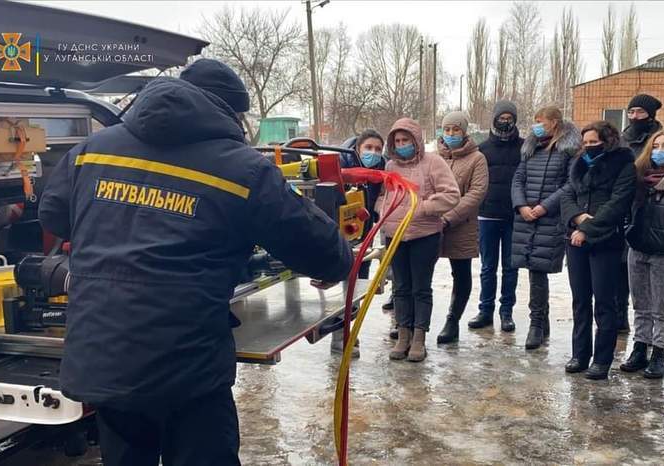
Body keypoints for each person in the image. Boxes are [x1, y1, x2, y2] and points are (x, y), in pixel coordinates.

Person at [38, 59, 354, 466]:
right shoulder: (243, 169)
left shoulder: (90, 151)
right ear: (230, 112)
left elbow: (53, 216)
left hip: (104, 358)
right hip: (186, 369)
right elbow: (321, 248)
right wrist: (337, 265)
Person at [377, 117, 459, 362]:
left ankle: (419, 337)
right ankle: (403, 334)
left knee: (420, 288)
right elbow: (382, 196)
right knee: (400, 287)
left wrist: (422, 207)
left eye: (406, 140)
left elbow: (451, 194)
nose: (402, 144)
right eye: (398, 141)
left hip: (424, 235)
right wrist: (385, 209)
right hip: (396, 235)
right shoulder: (390, 166)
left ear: (416, 140)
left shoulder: (433, 162)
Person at [561, 121, 636, 380]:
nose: (590, 147)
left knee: (605, 303)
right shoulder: (579, 164)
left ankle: (602, 359)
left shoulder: (624, 165)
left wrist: (588, 228)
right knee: (580, 300)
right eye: (586, 143)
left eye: (595, 142)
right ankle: (580, 354)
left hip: (606, 240)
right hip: (576, 240)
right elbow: (567, 195)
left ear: (608, 140)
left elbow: (617, 204)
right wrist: (577, 218)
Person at [511, 106, 581, 350]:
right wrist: (521, 205)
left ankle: (536, 324)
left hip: (550, 217)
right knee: (532, 269)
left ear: (554, 122)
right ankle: (541, 321)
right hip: (526, 216)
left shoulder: (569, 151)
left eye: (540, 121)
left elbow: (571, 184)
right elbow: (518, 178)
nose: (536, 125)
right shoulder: (531, 148)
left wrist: (544, 208)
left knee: (539, 269)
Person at [619, 131, 664, 379]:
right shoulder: (639, 177)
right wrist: (628, 229)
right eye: (656, 146)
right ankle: (639, 347)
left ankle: (659, 354)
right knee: (640, 303)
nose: (660, 150)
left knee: (662, 306)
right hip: (637, 249)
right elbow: (627, 207)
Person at [435, 111, 489, 344]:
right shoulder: (434, 158)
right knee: (420, 273)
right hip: (430, 225)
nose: (451, 134)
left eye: (456, 129)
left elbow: (476, 193)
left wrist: (449, 217)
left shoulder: (477, 159)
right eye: (447, 129)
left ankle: (452, 321)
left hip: (461, 225)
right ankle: (412, 322)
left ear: (464, 131)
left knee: (461, 273)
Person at [331, 129, 385, 357]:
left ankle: (350, 333)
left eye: (377, 149)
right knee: (340, 285)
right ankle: (338, 336)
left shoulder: (381, 171)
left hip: (365, 233)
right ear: (357, 148)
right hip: (338, 234)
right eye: (368, 148)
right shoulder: (340, 167)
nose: (372, 153)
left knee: (357, 286)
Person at [471, 100, 523, 332]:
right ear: (494, 119)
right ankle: (485, 310)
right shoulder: (482, 149)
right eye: (501, 117)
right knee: (487, 267)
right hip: (488, 215)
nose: (505, 122)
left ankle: (506, 312)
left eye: (509, 117)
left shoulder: (524, 147)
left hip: (515, 215)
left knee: (511, 267)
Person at [617, 94, 664, 334]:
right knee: (620, 265)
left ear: (651, 115)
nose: (634, 117)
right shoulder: (623, 139)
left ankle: (647, 331)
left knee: (641, 271)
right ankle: (620, 315)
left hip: (648, 210)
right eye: (631, 112)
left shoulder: (659, 142)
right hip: (622, 207)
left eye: (640, 113)